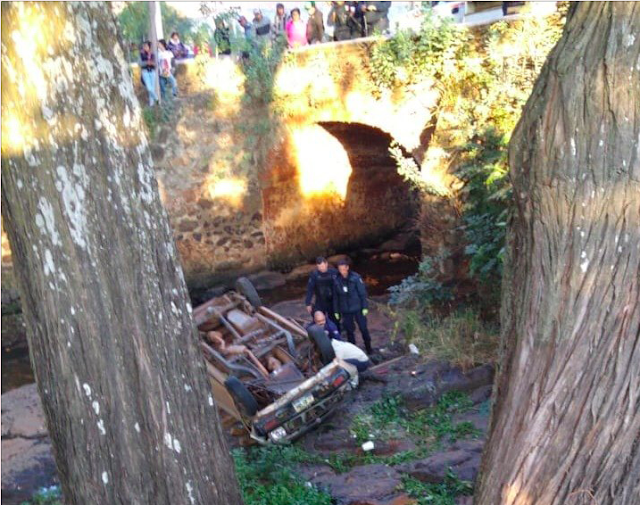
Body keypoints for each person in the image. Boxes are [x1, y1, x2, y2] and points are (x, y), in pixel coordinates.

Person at [333, 259, 372, 354]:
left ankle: (369, 348)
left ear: (347, 268)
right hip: (345, 310)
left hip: (358, 308)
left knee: (363, 328)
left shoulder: (355, 278)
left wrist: (365, 307)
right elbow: (336, 297)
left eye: (343, 269)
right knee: (349, 331)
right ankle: (354, 351)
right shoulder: (336, 280)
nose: (342, 271)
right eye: (340, 269)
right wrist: (336, 311)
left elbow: (362, 293)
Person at [305, 257, 339, 327]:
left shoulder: (334, 272)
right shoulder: (314, 275)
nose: (321, 268)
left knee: (334, 319)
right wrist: (308, 303)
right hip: (320, 300)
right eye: (319, 267)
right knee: (318, 317)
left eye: (322, 266)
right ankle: (321, 332)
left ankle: (336, 332)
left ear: (326, 264)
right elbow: (310, 289)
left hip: (332, 300)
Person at [139, 41, 158, 106]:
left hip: (152, 71)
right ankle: (156, 98)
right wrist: (147, 62)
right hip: (145, 72)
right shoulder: (141, 54)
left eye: (146, 46)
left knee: (152, 88)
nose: (145, 47)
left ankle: (151, 104)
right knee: (149, 88)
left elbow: (156, 64)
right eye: (144, 46)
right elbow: (140, 63)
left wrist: (152, 63)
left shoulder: (152, 54)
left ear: (149, 47)